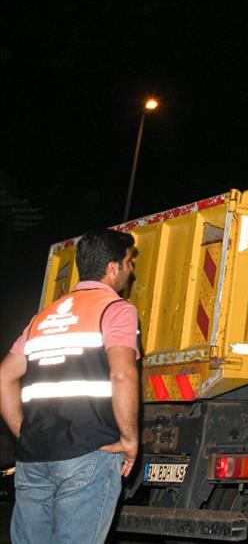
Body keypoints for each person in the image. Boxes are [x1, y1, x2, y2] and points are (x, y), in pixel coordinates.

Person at [0, 228, 141, 544]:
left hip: (33, 457)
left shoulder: (43, 318)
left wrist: (23, 432)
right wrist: (130, 439)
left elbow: (3, 377)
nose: (131, 272)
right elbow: (122, 375)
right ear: (112, 267)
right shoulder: (115, 309)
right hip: (87, 453)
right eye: (129, 263)